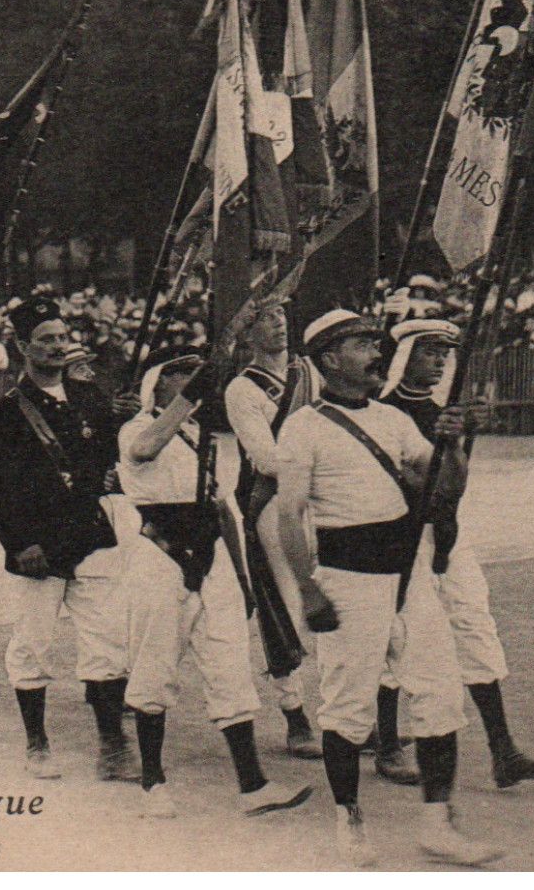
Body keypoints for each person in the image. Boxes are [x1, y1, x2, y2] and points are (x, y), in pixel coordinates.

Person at [276, 310, 500, 867]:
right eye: (362, 345)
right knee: (348, 710)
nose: (377, 354)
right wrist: (309, 592)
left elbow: (446, 490)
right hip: (349, 578)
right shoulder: (304, 426)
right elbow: (290, 515)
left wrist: (454, 444)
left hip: (411, 573)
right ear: (330, 358)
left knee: (441, 695)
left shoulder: (395, 421)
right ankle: (349, 819)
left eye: (377, 344)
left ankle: (437, 825)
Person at [120, 346, 313, 818]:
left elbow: (224, 505)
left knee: (229, 665)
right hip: (161, 554)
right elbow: (144, 450)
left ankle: (253, 785)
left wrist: (243, 577)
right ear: (157, 383)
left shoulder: (201, 435)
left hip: (214, 557)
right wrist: (190, 397)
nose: (191, 380)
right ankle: (152, 783)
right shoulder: (136, 428)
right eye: (180, 373)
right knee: (154, 667)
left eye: (195, 374)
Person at [380, 318, 534, 789]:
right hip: (400, 539)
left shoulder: (447, 411)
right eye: (429, 352)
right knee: (396, 637)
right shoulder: (381, 414)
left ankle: (504, 751)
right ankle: (386, 744)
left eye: (445, 352)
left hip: (446, 535)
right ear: (403, 357)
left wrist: (459, 441)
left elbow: (453, 491)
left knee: (474, 626)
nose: (440, 361)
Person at [0, 295, 133, 782]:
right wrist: (18, 545)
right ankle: (37, 742)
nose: (56, 347)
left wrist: (122, 421)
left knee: (106, 641)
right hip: (38, 548)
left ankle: (112, 746)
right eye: (45, 340)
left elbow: (111, 459)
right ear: (23, 346)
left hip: (90, 534)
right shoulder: (6, 411)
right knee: (33, 644)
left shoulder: (90, 397)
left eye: (62, 338)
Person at [223, 297, 321, 762]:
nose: (278, 322)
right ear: (245, 332)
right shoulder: (243, 390)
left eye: (283, 313)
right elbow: (263, 458)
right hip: (273, 498)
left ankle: (358, 717)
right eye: (264, 316)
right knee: (287, 606)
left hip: (321, 493)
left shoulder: (310, 373)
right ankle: (295, 714)